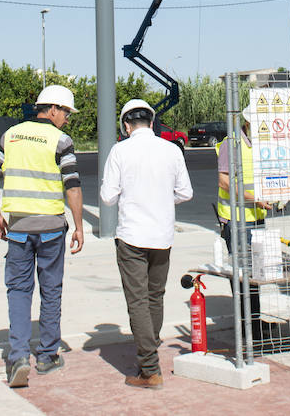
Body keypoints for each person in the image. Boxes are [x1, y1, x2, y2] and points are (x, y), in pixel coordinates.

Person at [0, 84, 85, 389]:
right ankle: (47, 355)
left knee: (18, 290)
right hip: (51, 229)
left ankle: (17, 357)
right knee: (51, 290)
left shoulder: (10, 136)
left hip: (18, 229)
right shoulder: (61, 140)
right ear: (52, 109)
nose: (67, 118)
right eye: (66, 112)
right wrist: (79, 226)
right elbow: (73, 187)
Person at [99, 98, 193, 389]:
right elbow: (186, 193)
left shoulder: (120, 150)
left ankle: (150, 370)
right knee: (155, 296)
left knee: (137, 300)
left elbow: (107, 197)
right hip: (162, 236)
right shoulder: (171, 150)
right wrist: (162, 198)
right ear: (152, 123)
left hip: (132, 237)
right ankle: (150, 349)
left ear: (126, 126)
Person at [215, 105, 272, 337]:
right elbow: (224, 181)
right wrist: (254, 198)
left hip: (256, 218)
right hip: (237, 220)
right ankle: (246, 327)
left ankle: (254, 321)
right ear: (248, 123)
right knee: (241, 275)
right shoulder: (232, 144)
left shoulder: (260, 145)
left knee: (255, 272)